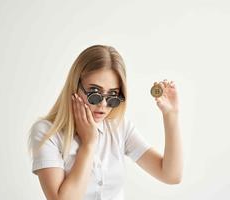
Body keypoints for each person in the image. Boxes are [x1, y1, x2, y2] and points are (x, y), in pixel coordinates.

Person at [28, 44, 183, 200]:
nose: (103, 105)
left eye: (113, 96)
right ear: (75, 86)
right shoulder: (47, 132)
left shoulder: (118, 126)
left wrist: (171, 115)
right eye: (95, 93)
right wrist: (89, 143)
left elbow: (171, 175)